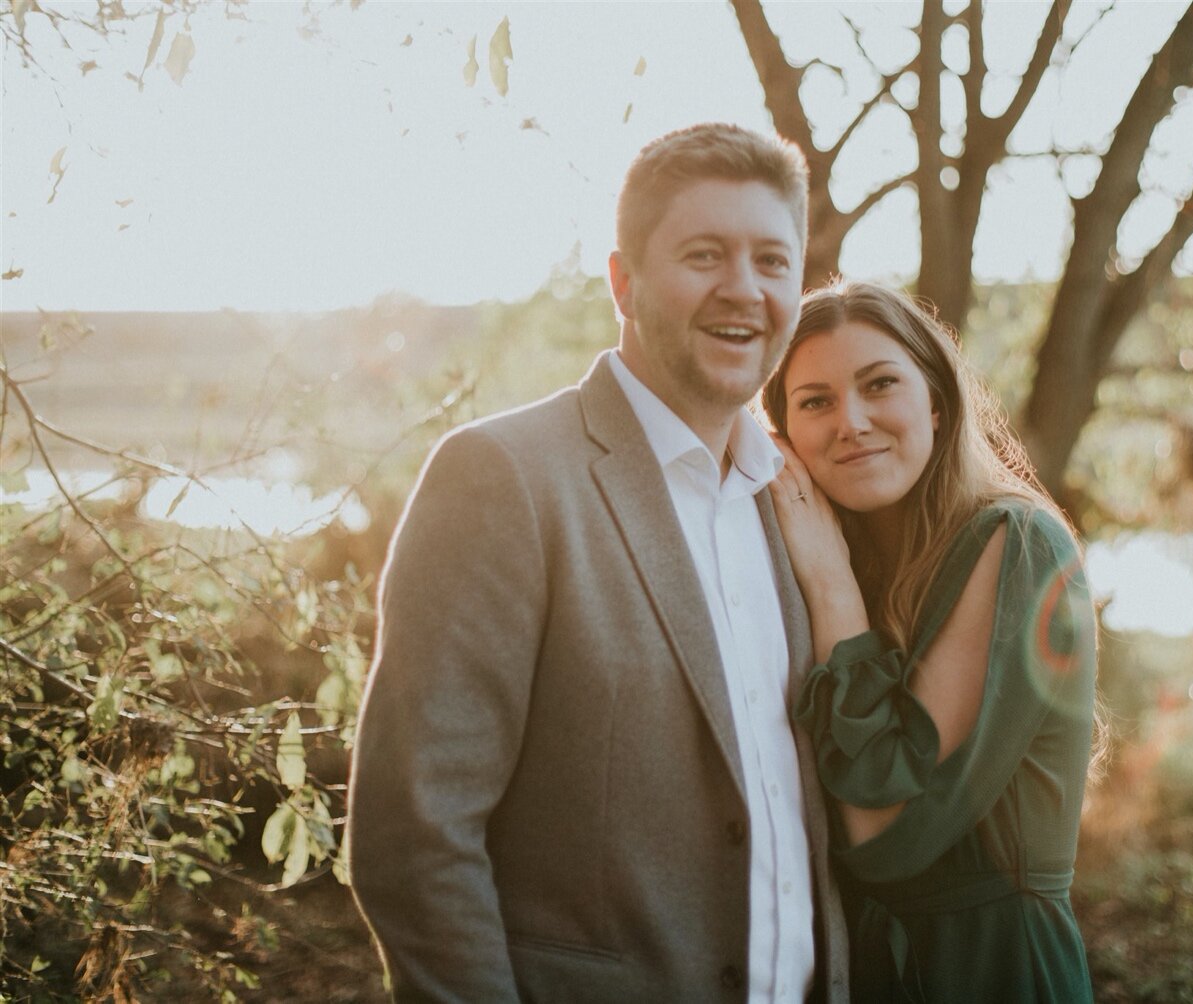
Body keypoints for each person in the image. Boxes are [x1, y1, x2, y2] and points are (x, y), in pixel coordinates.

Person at [347, 123, 849, 1003]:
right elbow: (417, 833)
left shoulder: (796, 496)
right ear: (624, 282)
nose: (745, 290)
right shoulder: (505, 478)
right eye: (704, 255)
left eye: (773, 261)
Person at [761, 281, 1098, 1002]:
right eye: (815, 400)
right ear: (784, 433)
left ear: (936, 403)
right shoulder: (815, 553)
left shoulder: (1015, 542)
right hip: (860, 969)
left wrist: (830, 584)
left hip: (991, 971)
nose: (850, 422)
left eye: (879, 384)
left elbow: (892, 833)